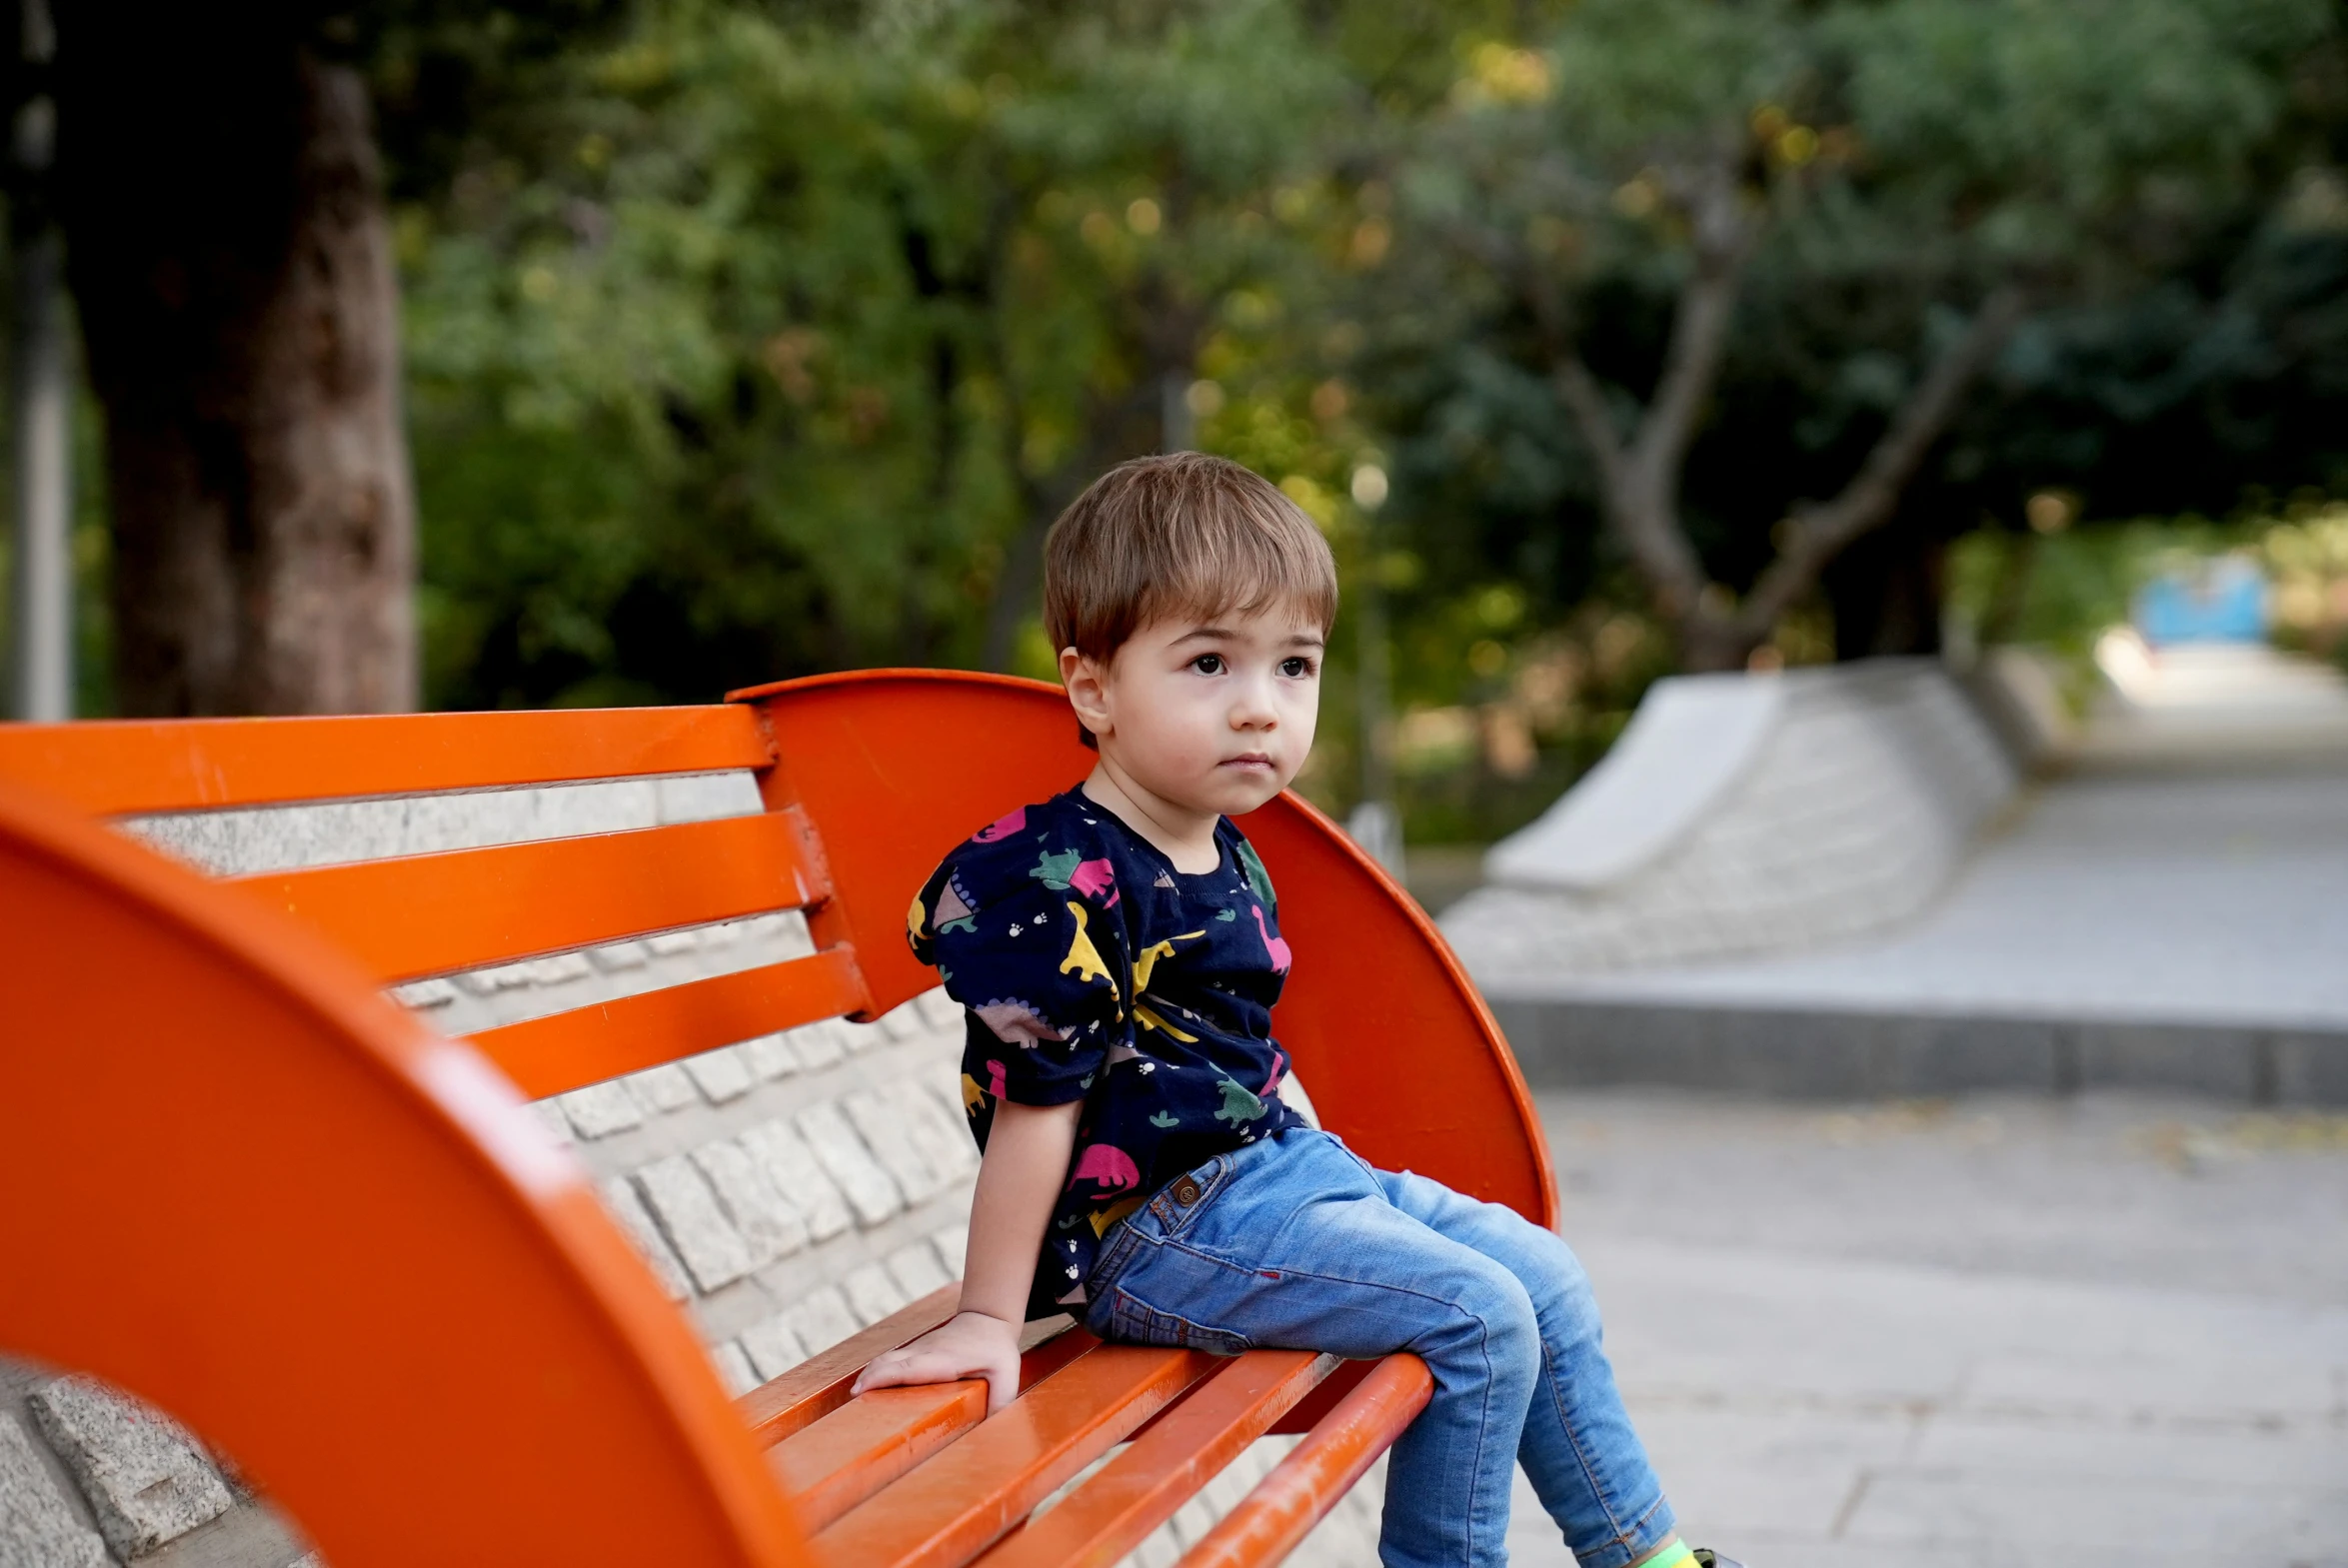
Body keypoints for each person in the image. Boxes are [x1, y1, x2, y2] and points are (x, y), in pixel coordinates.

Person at [857, 452, 1736, 1568]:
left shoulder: (1223, 846)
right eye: (1211, 662)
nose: (1261, 707)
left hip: (1275, 1180)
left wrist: (1347, 1188)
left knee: (1542, 1275)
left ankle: (1645, 1557)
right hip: (1157, 1237)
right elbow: (1036, 1109)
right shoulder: (1057, 880)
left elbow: (1238, 1059)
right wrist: (988, 1318)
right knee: (1476, 1317)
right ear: (1093, 689)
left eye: (1295, 667)